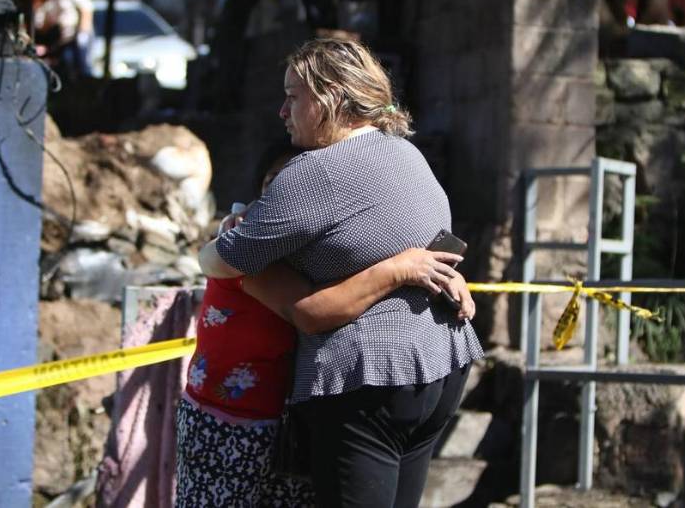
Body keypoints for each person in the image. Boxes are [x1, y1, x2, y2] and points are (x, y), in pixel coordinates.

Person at [199, 37, 484, 507]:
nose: (281, 110)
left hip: (366, 381)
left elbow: (224, 260)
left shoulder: (315, 172)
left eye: (293, 96)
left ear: (330, 96)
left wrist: (226, 236)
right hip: (441, 367)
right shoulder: (407, 155)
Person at [177, 146, 473, 507]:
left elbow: (360, 281)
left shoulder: (314, 254)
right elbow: (313, 311)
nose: (293, 199)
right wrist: (400, 270)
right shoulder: (248, 245)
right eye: (279, 184)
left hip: (286, 425)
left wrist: (439, 275)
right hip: (225, 423)